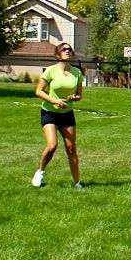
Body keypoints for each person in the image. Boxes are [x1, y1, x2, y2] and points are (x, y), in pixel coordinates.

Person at [31, 42, 84, 188]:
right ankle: (40, 172)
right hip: (50, 112)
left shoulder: (77, 73)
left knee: (71, 149)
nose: (67, 51)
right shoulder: (50, 71)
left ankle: (77, 182)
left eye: (69, 50)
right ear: (58, 54)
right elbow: (39, 91)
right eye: (64, 49)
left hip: (67, 114)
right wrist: (54, 100)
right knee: (52, 145)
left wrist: (74, 98)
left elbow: (80, 95)